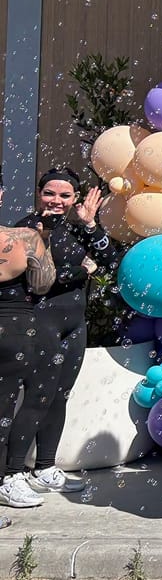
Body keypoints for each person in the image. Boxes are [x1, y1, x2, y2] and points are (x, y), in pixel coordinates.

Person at [2, 169, 118, 505]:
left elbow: (111, 261)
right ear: (38, 194)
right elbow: (44, 279)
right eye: (49, 193)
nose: (56, 201)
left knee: (60, 395)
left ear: (75, 199)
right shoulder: (27, 228)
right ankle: (12, 473)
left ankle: (45, 466)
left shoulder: (80, 227)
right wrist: (84, 270)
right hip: (42, 322)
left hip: (74, 323)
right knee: (38, 396)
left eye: (65, 195)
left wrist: (91, 224)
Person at [0, 191, 57, 522]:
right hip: (15, 329)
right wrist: (41, 245)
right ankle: (7, 480)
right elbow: (42, 284)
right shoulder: (25, 238)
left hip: (16, 333)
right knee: (6, 410)